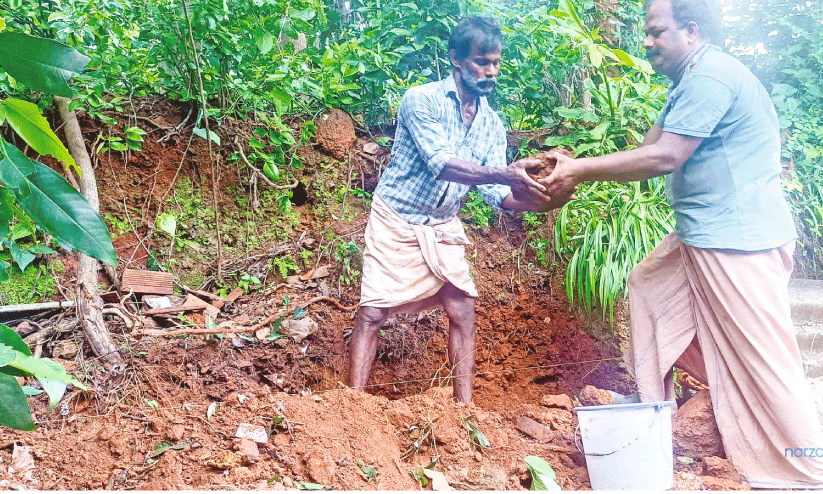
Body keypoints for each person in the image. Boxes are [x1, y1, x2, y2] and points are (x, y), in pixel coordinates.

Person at [541, 0, 823, 487]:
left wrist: (579, 170)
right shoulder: (689, 81)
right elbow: (648, 149)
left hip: (737, 238)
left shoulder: (711, 77)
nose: (646, 42)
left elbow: (666, 157)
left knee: (766, 361)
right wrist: (569, 174)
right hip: (703, 230)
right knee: (648, 285)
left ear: (690, 31)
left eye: (656, 32)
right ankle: (654, 408)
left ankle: (808, 463)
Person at [347, 16, 573, 404]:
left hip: (442, 223)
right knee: (372, 314)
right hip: (396, 216)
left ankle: (463, 410)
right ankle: (352, 405)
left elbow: (497, 194)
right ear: (455, 59)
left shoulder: (491, 123)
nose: (491, 71)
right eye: (482, 62)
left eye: (497, 63)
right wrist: (507, 172)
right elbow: (442, 163)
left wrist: (541, 199)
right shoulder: (421, 99)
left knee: (462, 307)